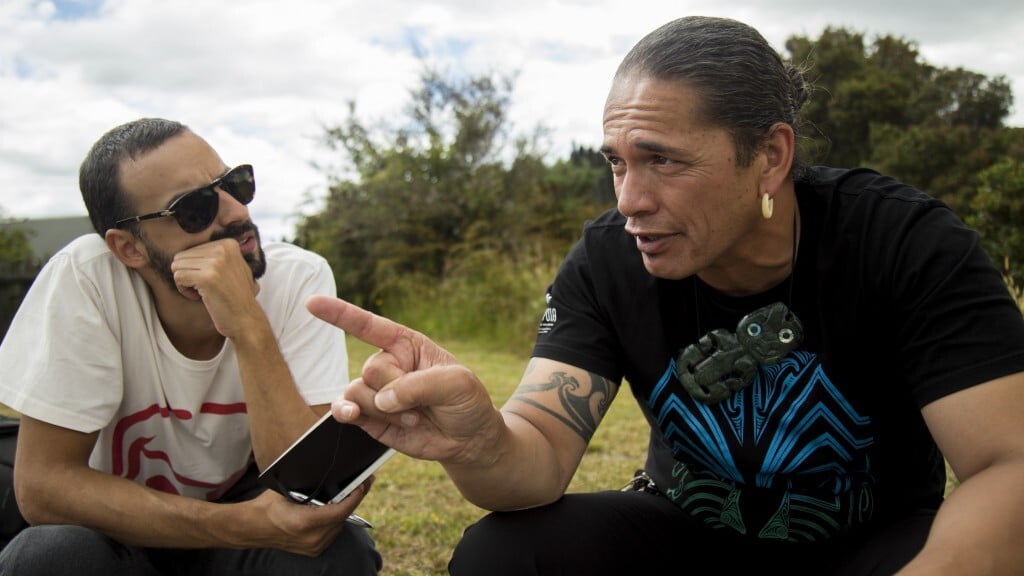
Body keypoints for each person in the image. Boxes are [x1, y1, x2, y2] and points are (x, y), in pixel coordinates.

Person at [305, 15, 1024, 576]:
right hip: (694, 534)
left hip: (874, 545)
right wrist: (479, 441)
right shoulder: (609, 261)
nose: (630, 200)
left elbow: (1008, 465)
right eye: (617, 163)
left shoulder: (901, 241)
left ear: (771, 157)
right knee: (504, 556)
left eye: (663, 161)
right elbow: (538, 458)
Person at [0, 118, 383, 575]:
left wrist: (248, 326)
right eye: (194, 208)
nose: (235, 213)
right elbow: (44, 487)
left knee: (338, 554)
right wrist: (238, 525)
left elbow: (311, 489)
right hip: (115, 529)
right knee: (51, 558)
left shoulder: (299, 278)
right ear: (129, 249)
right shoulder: (86, 278)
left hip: (236, 507)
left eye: (234, 184)